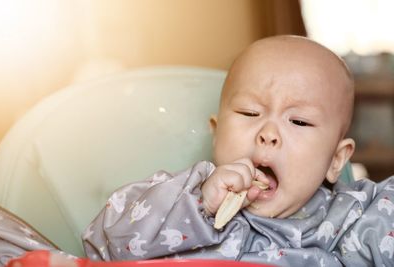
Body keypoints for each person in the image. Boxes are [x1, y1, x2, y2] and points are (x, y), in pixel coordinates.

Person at [82, 36, 394, 267]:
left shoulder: (349, 218)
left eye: (298, 121)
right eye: (249, 112)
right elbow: (104, 247)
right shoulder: (179, 196)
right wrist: (200, 204)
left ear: (336, 159)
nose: (268, 134)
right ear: (216, 134)